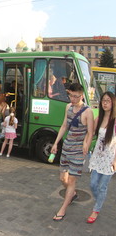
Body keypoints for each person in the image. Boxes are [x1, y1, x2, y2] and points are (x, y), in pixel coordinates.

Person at [50, 83, 94, 221]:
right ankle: (72, 193)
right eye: (71, 96)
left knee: (72, 180)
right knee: (63, 179)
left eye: (76, 97)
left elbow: (90, 132)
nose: (73, 99)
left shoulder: (88, 111)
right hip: (66, 147)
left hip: (78, 152)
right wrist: (56, 143)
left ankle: (62, 209)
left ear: (81, 95)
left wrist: (86, 145)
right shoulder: (68, 107)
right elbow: (64, 125)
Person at [86, 92, 116, 223]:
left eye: (108, 101)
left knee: (102, 187)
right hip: (97, 157)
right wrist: (85, 145)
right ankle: (99, 202)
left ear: (113, 103)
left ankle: (96, 209)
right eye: (103, 100)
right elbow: (90, 132)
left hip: (110, 159)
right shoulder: (99, 118)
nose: (105, 103)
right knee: (93, 184)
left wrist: (115, 160)